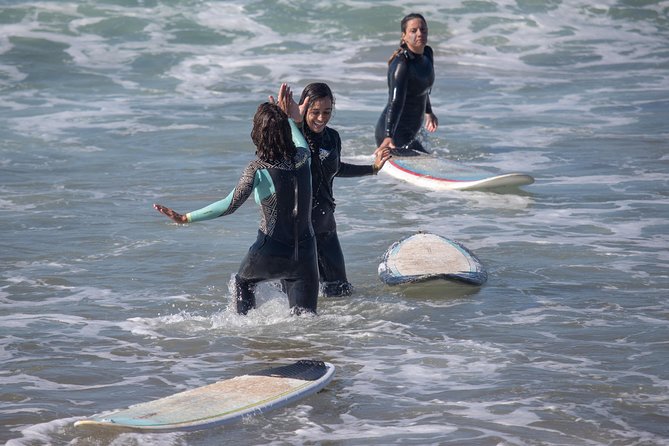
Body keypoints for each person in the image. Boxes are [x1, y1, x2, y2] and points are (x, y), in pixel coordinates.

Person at [154, 100, 319, 316]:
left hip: (271, 252)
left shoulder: (257, 169)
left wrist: (186, 218)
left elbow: (230, 204)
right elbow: (301, 142)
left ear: (258, 133)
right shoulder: (303, 157)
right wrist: (288, 116)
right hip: (306, 255)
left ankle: (244, 334)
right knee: (305, 322)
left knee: (243, 283)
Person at [271, 82, 392, 297]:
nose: (321, 118)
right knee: (291, 299)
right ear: (303, 109)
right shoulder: (291, 139)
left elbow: (335, 169)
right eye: (315, 112)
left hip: (325, 226)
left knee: (341, 292)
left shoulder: (333, 137)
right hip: (297, 231)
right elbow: (279, 161)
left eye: (327, 112)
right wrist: (286, 122)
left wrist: (372, 169)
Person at [375, 13, 438, 156]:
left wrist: (429, 111)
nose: (420, 33)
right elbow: (395, 102)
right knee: (428, 160)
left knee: (427, 158)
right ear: (404, 35)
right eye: (413, 30)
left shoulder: (427, 54)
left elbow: (422, 88)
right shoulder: (402, 65)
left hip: (410, 131)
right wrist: (388, 136)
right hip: (394, 134)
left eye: (423, 29)